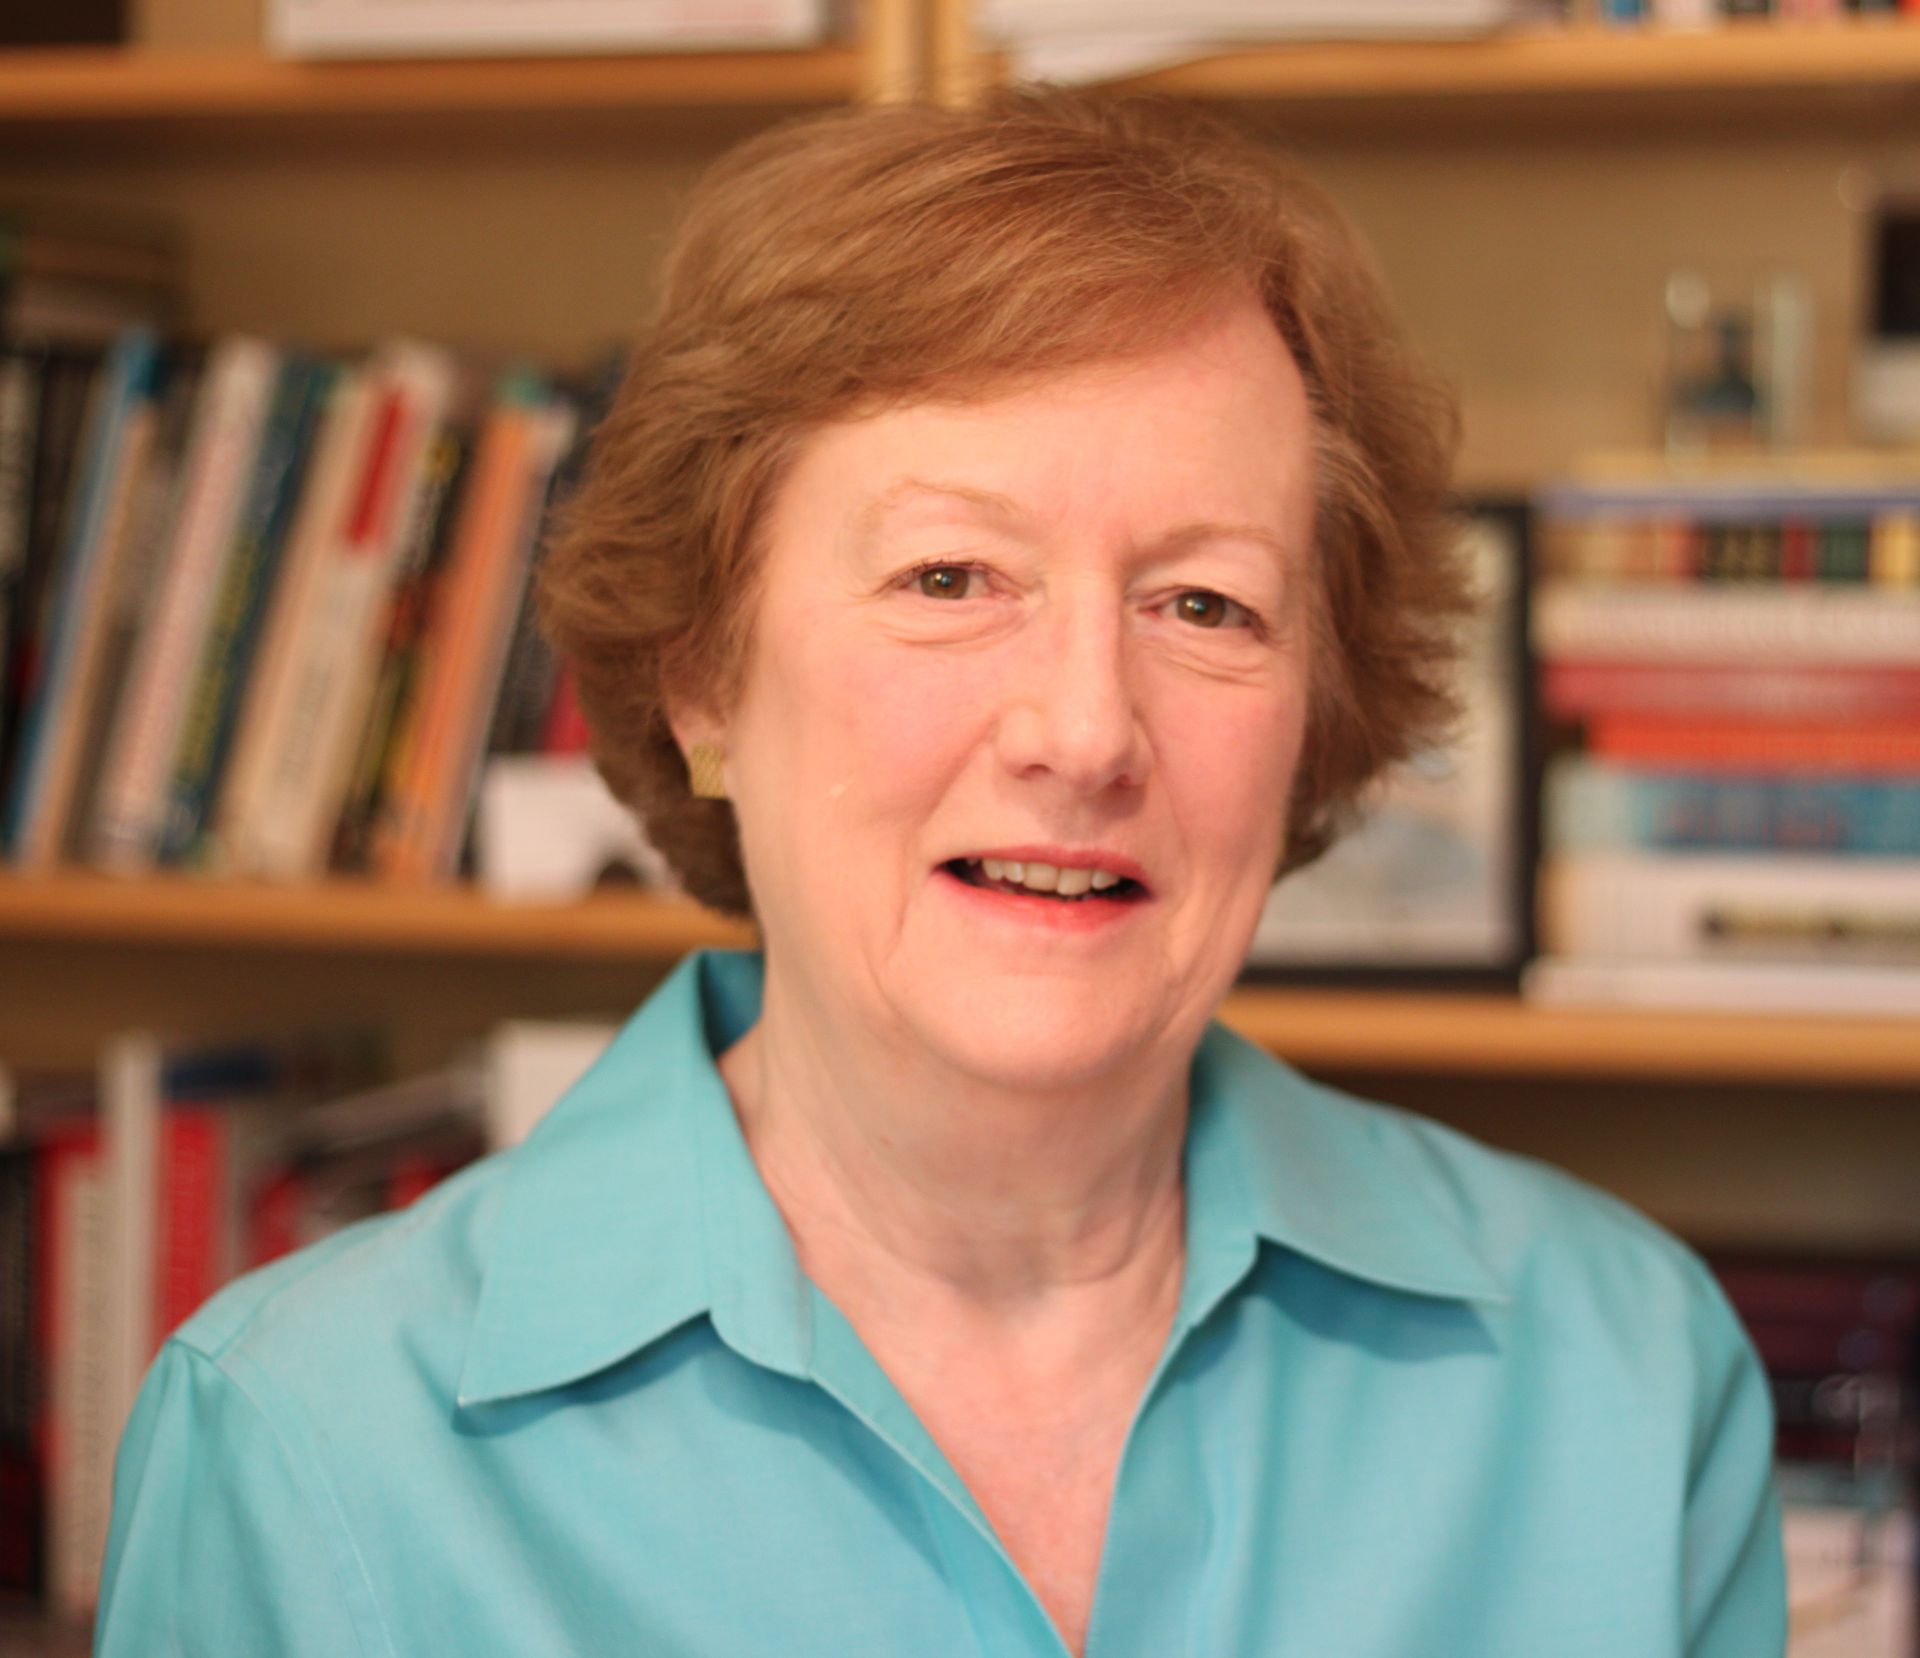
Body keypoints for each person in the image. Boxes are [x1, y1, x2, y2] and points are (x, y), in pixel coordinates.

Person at [95, 89, 1785, 1657]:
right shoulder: (308, 1446)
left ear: (1318, 720)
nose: (1083, 729)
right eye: (952, 574)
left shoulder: (1621, 1379)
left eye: (1205, 604)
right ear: (704, 678)